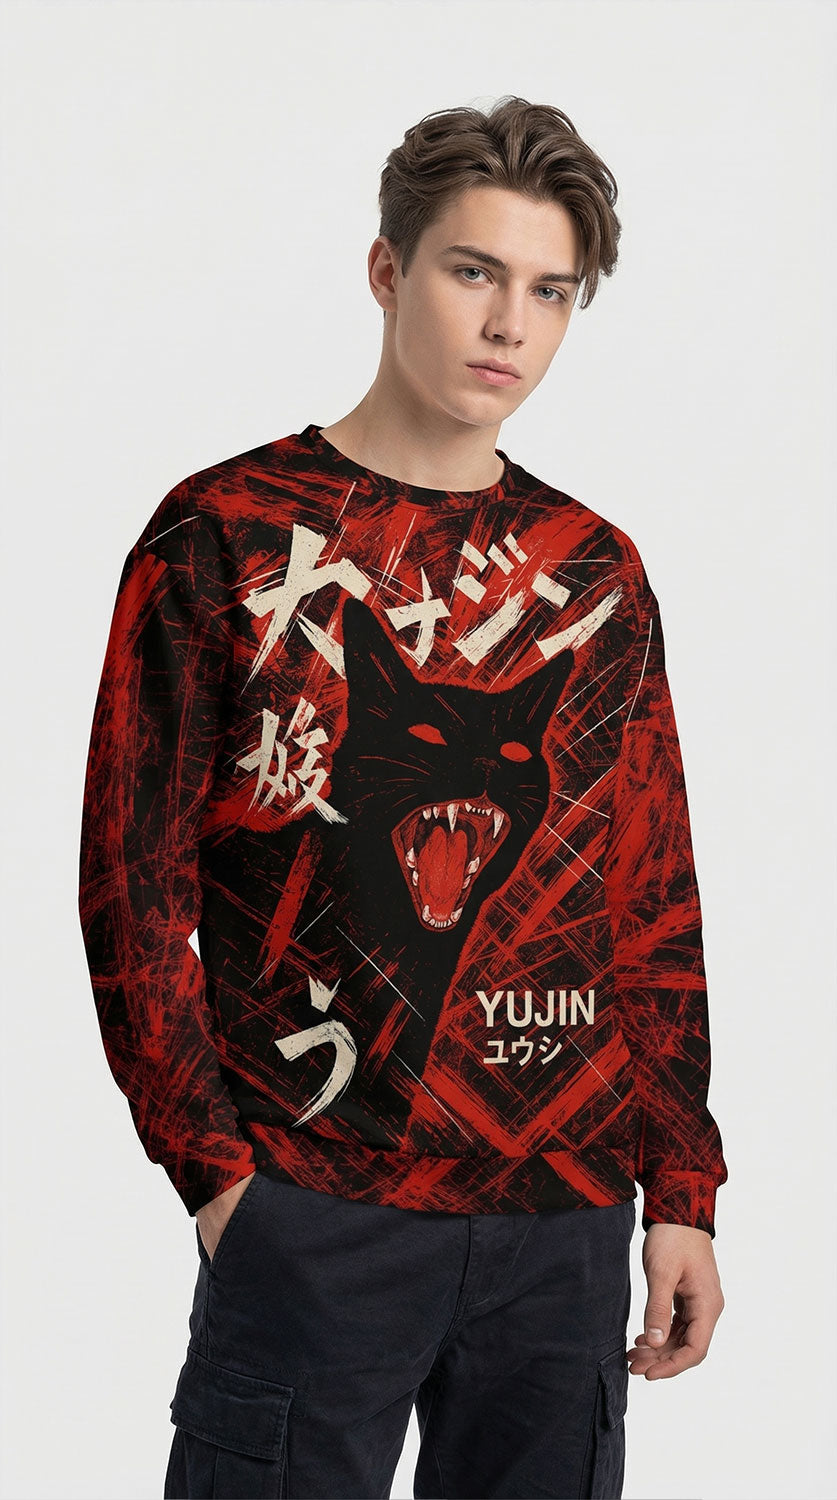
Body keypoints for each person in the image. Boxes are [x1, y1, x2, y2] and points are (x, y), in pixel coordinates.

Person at [77, 95, 728, 1500]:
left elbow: (650, 897)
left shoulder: (595, 573)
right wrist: (217, 1176)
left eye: (550, 290)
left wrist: (681, 1189)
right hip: (315, 1209)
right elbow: (131, 884)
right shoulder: (225, 535)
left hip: (564, 1223)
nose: (508, 324)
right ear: (386, 269)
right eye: (472, 270)